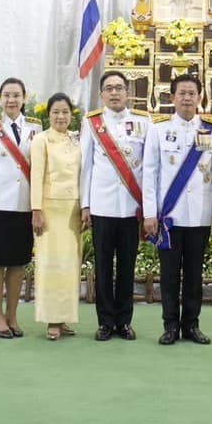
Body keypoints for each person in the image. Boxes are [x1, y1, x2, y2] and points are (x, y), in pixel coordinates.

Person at [141, 74, 212, 345]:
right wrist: (150, 213)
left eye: (192, 93)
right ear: (173, 97)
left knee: (194, 274)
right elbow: (150, 173)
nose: (187, 98)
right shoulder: (159, 129)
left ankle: (192, 325)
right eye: (182, 93)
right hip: (170, 217)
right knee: (169, 274)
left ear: (200, 97)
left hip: (200, 213)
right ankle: (170, 326)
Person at [81, 71, 153, 342]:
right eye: (109, 89)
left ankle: (124, 321)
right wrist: (85, 204)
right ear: (101, 94)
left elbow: (149, 168)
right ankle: (105, 321)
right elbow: (85, 166)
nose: (114, 93)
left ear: (127, 92)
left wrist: (148, 207)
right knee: (103, 267)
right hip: (102, 206)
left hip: (130, 207)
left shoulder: (143, 123)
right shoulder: (92, 123)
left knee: (126, 266)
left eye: (119, 88)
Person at [0, 77, 39, 339]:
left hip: (24, 204)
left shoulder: (35, 127)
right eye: (6, 95)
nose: (11, 100)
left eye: (16, 95)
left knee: (18, 263)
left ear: (24, 98)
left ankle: (12, 314)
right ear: (0, 99)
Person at [32, 93, 84, 341]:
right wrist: (36, 210)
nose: (61, 116)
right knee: (51, 266)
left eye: (65, 112)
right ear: (48, 114)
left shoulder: (76, 141)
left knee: (69, 267)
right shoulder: (41, 140)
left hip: (73, 211)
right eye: (56, 112)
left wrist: (86, 208)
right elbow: (36, 176)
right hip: (50, 209)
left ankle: (64, 318)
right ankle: (51, 320)